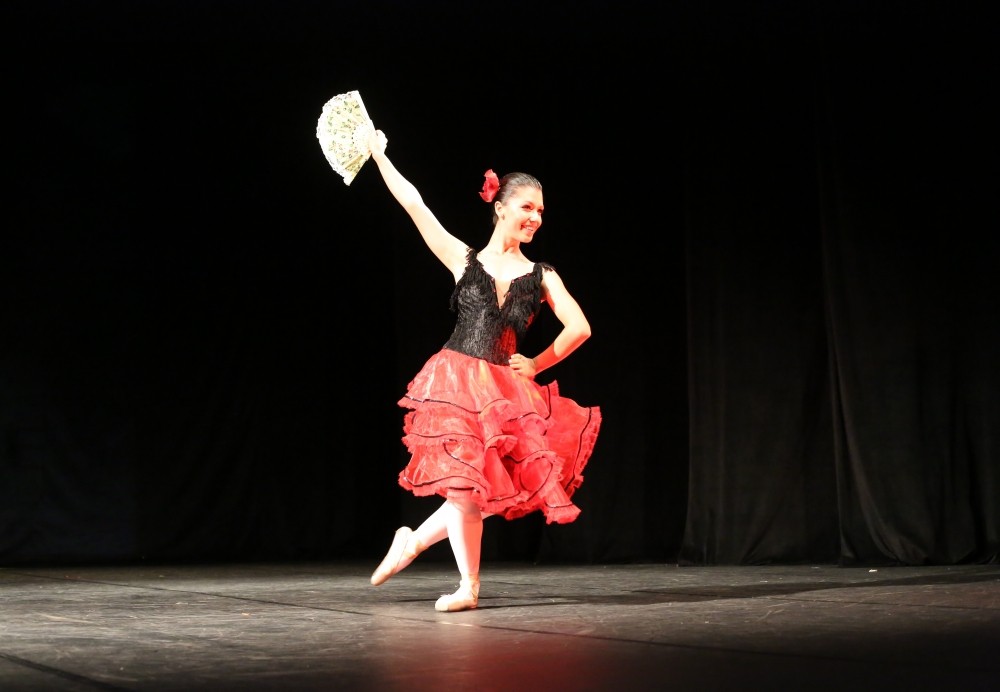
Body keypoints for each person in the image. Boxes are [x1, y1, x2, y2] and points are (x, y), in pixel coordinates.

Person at [364, 128, 601, 612]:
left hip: (502, 390)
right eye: (527, 207)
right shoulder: (463, 259)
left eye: (540, 211)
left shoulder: (541, 276)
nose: (536, 217)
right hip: (454, 382)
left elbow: (579, 327)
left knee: (469, 491)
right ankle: (466, 586)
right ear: (500, 207)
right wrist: (378, 155)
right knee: (467, 491)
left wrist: (536, 363)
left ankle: (412, 545)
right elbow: (415, 205)